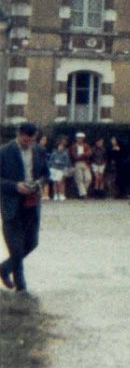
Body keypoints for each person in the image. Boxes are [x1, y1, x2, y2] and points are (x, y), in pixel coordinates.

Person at [0, 122, 49, 292]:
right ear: (19, 134)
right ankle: (21, 288)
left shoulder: (39, 151)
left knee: (32, 242)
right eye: (26, 140)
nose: (28, 143)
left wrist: (39, 183)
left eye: (31, 140)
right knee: (16, 246)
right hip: (12, 204)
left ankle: (4, 269)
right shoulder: (4, 152)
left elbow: (45, 174)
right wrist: (15, 187)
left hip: (32, 202)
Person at [69, 132, 93, 198]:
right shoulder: (73, 146)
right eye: (79, 138)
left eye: (81, 138)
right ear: (76, 139)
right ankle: (83, 194)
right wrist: (84, 155)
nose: (80, 139)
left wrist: (82, 155)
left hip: (85, 163)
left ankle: (82, 192)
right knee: (79, 179)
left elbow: (90, 153)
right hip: (77, 163)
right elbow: (75, 156)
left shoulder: (86, 145)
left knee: (88, 178)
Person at [48, 137, 71, 201]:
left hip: (61, 169)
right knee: (55, 182)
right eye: (59, 146)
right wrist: (53, 164)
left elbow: (67, 162)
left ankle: (62, 194)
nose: (60, 147)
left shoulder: (65, 154)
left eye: (62, 146)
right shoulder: (54, 153)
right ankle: (55, 195)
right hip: (54, 169)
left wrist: (60, 162)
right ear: (57, 147)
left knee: (61, 182)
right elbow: (50, 161)